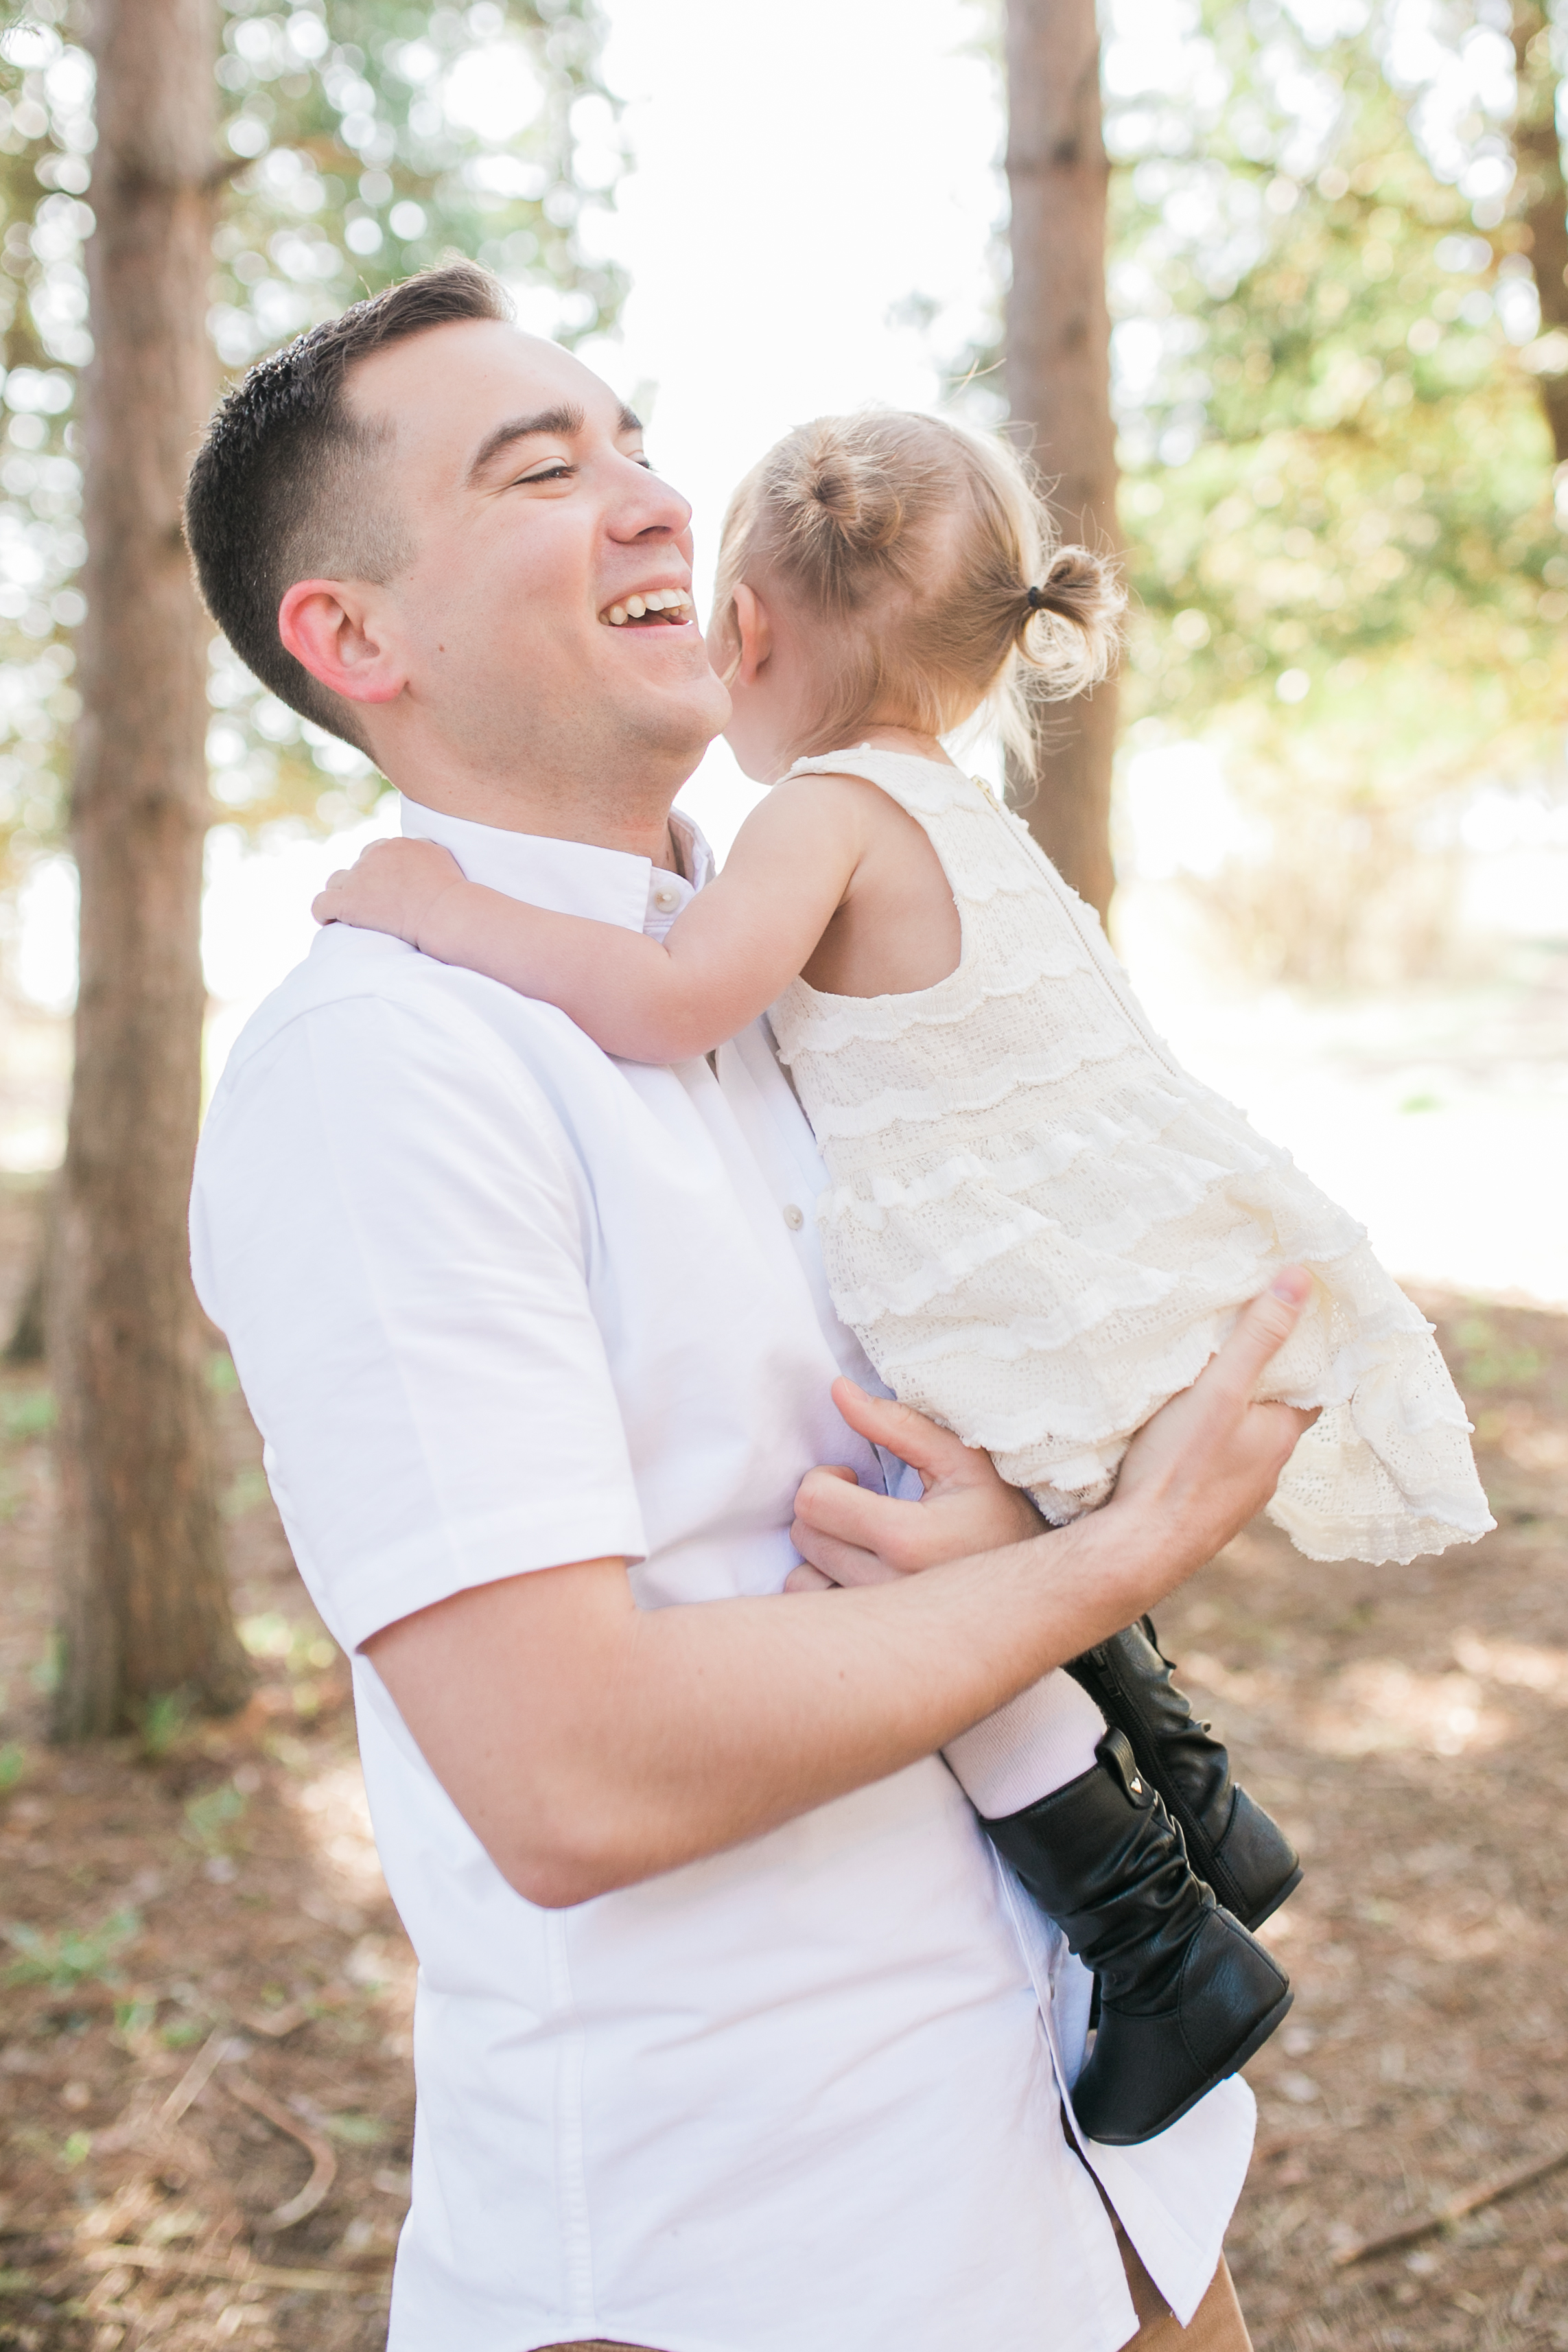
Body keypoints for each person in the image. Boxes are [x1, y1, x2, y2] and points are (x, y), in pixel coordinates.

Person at [187, 262, 1318, 2352]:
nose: (647, 499)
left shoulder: (809, 968)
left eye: (632, 441)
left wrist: (1042, 1534)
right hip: (761, 2257)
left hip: (1098, 2185)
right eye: (544, 470)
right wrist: (1121, 1555)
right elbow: (569, 1772)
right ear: (354, 636)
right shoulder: (386, 1072)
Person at [312, 405, 1493, 2146]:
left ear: (751, 638)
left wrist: (436, 904)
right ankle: (1188, 1787)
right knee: (965, 1547)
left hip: (998, 1309)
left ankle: (1160, 1937)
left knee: (892, 1583)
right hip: (1122, 1282)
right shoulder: (966, 812)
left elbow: (670, 1002)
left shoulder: (829, 809)